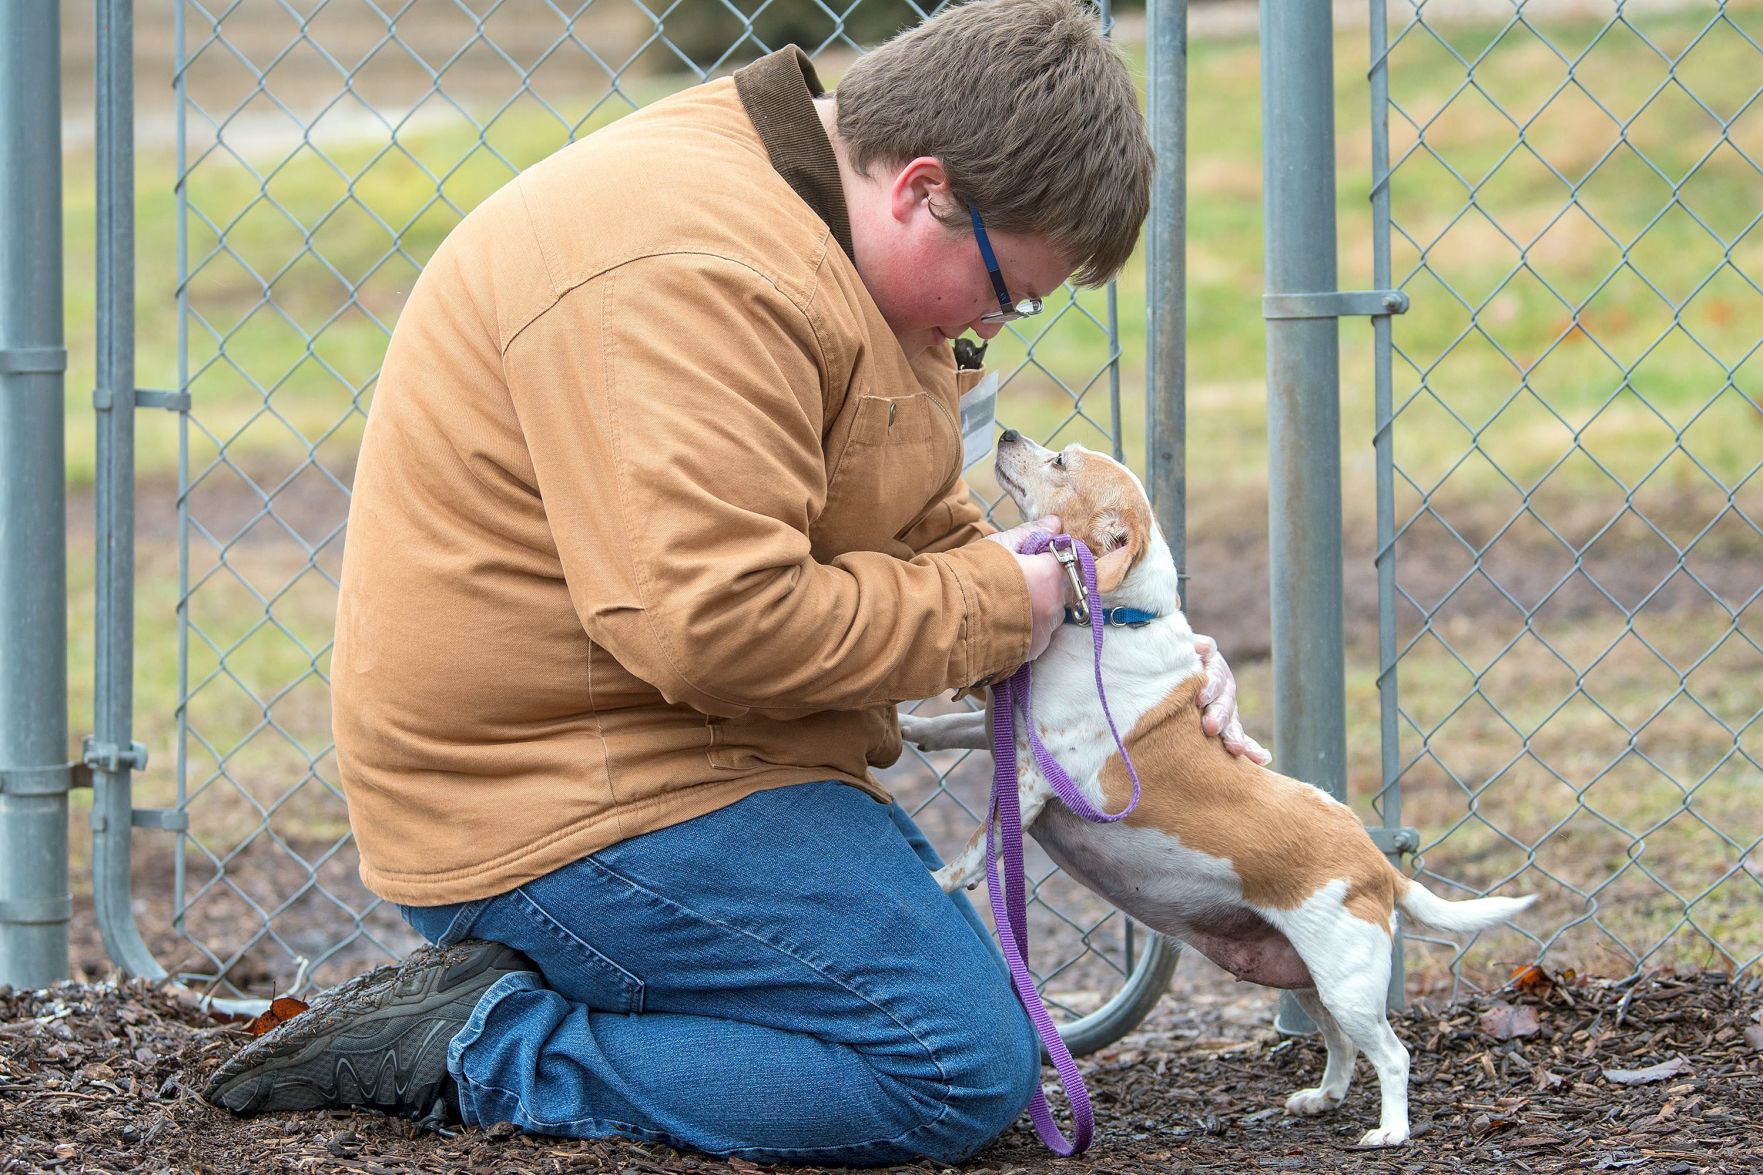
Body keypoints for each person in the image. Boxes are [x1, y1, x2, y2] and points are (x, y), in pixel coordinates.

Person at [204, 0, 1269, 1164]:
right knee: (949, 1067)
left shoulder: (831, 238)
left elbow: (912, 534)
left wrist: (1130, 665)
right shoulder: (688, 270)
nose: (994, 322)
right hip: (555, 795)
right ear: (921, 187)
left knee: (953, 1036)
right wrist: (997, 607)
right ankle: (482, 1037)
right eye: (1005, 289)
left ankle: (594, 995)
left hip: (692, 754)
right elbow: (716, 623)